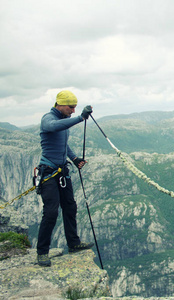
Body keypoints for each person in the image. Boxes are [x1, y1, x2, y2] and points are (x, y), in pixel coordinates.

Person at [36, 90, 94, 267]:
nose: (73, 111)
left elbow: (63, 144)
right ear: (60, 104)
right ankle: (42, 252)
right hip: (49, 173)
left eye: (76, 108)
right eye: (71, 107)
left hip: (61, 171)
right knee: (51, 212)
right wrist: (81, 119)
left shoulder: (61, 121)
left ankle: (74, 243)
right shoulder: (48, 119)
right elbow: (53, 128)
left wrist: (74, 159)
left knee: (70, 206)